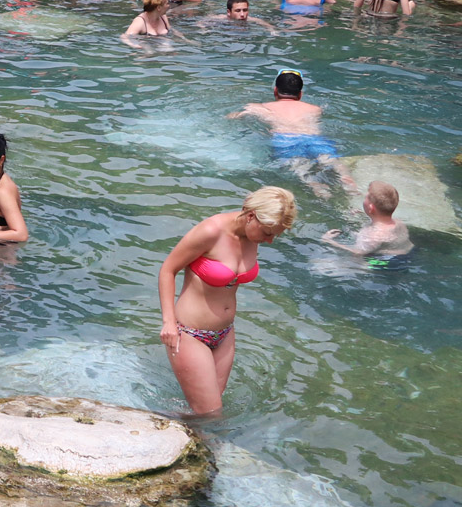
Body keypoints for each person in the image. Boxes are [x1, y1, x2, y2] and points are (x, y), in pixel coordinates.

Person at [156, 186, 296, 415]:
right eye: (268, 233)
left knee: (204, 411)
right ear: (251, 216)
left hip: (224, 334)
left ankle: (178, 432)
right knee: (212, 414)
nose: (269, 241)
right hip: (190, 333)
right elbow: (167, 270)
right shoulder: (210, 231)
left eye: (275, 235)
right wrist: (168, 322)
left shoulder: (252, 235)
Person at [234, 70, 341, 194]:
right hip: (314, 139)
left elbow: (238, 115)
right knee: (333, 162)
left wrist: (234, 115)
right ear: (300, 94)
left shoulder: (261, 107)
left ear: (275, 91)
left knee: (301, 170)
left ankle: (319, 189)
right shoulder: (315, 109)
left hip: (286, 140)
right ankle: (349, 183)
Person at [323, 181, 412, 261]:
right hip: (407, 254)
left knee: (322, 265)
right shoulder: (398, 222)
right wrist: (364, 215)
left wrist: (330, 241)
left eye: (366, 197)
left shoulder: (373, 236)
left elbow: (357, 253)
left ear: (371, 208)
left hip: (386, 262)